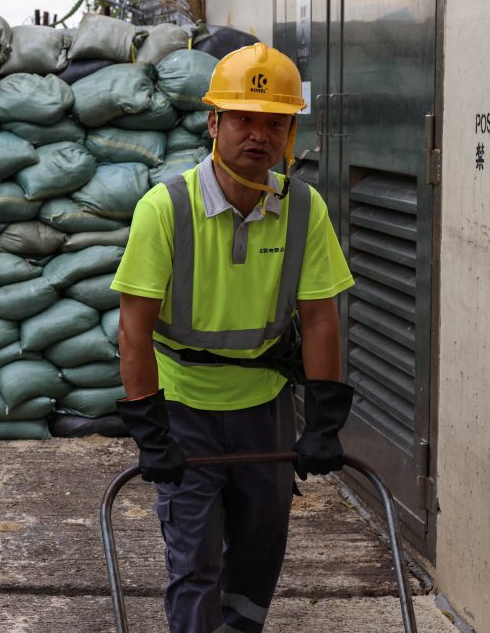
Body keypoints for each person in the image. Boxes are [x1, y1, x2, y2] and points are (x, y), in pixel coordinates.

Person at [109, 42, 356, 633]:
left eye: (276, 122)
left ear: (289, 133)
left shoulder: (305, 210)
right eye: (244, 118)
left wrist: (322, 421)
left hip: (264, 409)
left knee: (259, 554)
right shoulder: (165, 208)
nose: (259, 135)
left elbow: (321, 319)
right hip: (185, 410)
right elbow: (133, 328)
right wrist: (150, 429)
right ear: (214, 122)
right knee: (195, 563)